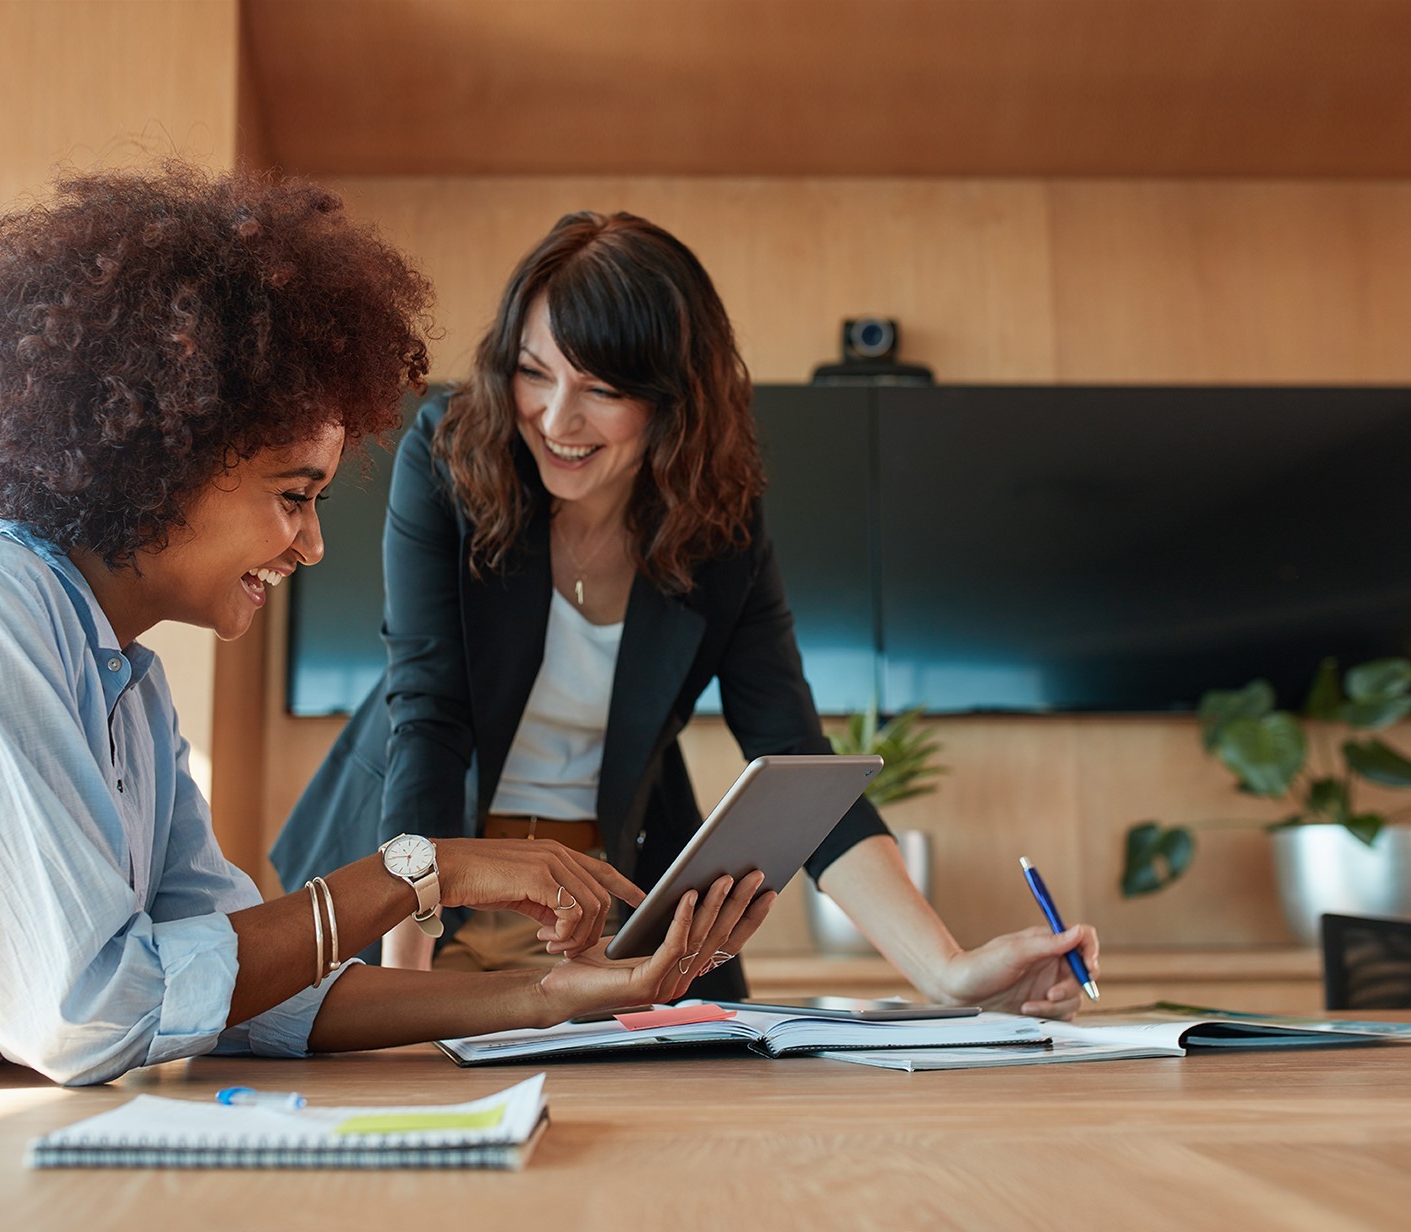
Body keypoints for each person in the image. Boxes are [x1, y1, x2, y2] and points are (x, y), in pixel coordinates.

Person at [0, 169, 773, 1113]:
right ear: (165, 456)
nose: (310, 542)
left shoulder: (127, 687)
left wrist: (547, 996)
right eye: (293, 494)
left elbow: (255, 996)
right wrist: (424, 867)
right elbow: (91, 1014)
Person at [272, 210, 1100, 1014]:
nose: (557, 419)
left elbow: (794, 756)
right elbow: (431, 714)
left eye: (600, 388)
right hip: (415, 894)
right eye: (534, 371)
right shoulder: (450, 456)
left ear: (673, 399)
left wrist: (950, 973)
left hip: (596, 914)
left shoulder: (717, 525)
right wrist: (405, 987)